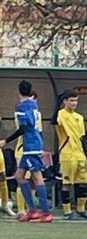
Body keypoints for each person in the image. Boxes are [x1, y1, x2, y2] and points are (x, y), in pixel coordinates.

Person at [0, 80, 53, 222]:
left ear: (18, 91)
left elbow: (24, 127)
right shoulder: (34, 104)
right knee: (19, 176)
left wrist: (6, 141)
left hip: (30, 144)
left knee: (37, 177)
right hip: (34, 143)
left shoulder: (21, 106)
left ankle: (46, 213)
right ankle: (32, 211)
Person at [55, 90, 87, 220]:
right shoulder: (61, 114)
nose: (74, 103)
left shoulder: (79, 117)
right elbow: (54, 122)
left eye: (76, 100)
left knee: (83, 182)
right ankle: (67, 212)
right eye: (71, 100)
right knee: (66, 183)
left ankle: (81, 210)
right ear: (65, 101)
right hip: (67, 154)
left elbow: (81, 137)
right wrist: (57, 104)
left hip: (80, 154)